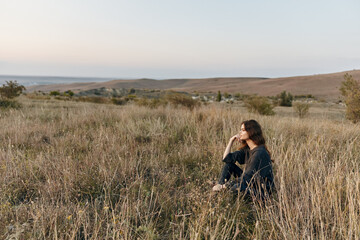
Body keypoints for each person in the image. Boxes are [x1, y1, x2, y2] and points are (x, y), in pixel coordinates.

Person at [212, 120, 275, 200]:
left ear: (251, 132)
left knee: (237, 187)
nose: (240, 132)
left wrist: (224, 186)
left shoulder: (259, 153)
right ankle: (218, 192)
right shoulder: (249, 149)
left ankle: (220, 189)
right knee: (229, 165)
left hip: (261, 191)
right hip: (251, 183)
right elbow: (227, 159)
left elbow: (246, 178)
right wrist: (231, 141)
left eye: (243, 130)